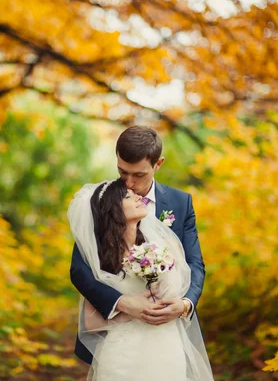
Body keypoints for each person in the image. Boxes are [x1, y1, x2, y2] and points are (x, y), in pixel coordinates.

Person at [70, 126, 206, 364]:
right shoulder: (103, 201)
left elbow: (195, 262)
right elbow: (79, 270)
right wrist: (123, 304)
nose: (129, 183)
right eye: (123, 172)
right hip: (116, 336)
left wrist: (184, 304)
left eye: (139, 175)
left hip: (167, 333)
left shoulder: (180, 202)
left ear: (158, 164)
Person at [67, 178, 212, 380]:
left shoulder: (163, 247)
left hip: (167, 348)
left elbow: (191, 273)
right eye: (128, 196)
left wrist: (179, 303)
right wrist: (132, 310)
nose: (137, 196)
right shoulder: (103, 260)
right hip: (122, 356)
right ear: (113, 211)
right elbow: (90, 324)